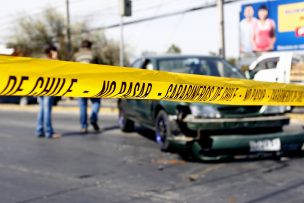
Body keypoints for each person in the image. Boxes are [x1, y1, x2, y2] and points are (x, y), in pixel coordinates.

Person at [74, 40, 101, 133]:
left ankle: (83, 126)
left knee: (82, 105)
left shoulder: (76, 56)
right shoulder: (93, 55)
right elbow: (100, 69)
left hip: (80, 83)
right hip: (93, 83)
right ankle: (93, 118)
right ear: (90, 46)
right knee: (96, 102)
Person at [35, 45, 61, 139]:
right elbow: (59, 69)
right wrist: (55, 58)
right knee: (47, 111)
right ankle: (49, 132)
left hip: (39, 89)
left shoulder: (40, 60)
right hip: (48, 89)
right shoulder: (51, 61)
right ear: (51, 51)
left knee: (42, 110)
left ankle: (39, 130)